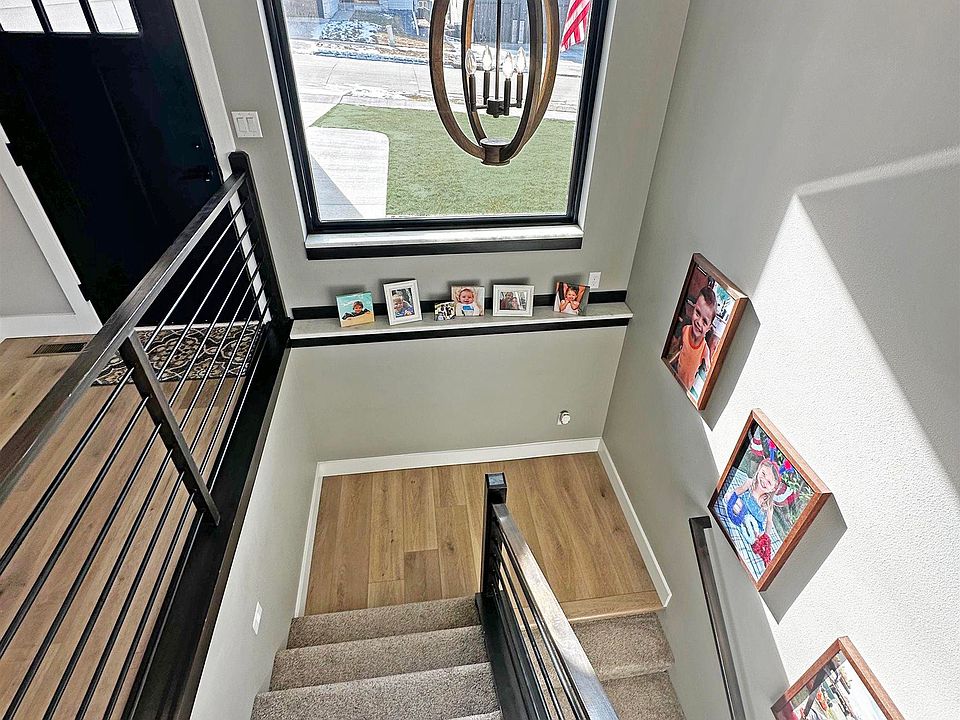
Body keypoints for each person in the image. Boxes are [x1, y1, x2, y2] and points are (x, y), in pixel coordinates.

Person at [722, 458, 779, 566]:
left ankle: (753, 533)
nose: (764, 480)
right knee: (731, 498)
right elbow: (737, 492)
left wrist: (765, 537)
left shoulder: (768, 504)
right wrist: (737, 490)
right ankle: (745, 523)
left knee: (758, 533)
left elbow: (769, 522)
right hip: (742, 511)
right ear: (759, 469)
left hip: (755, 524)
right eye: (763, 474)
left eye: (769, 482)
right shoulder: (750, 484)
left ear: (773, 488)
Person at [668, 285, 717, 390]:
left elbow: (708, 364)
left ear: (709, 328)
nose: (699, 322)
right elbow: (678, 347)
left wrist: (708, 363)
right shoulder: (685, 329)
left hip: (687, 388)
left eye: (705, 322)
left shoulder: (704, 348)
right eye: (697, 313)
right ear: (693, 308)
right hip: (674, 377)